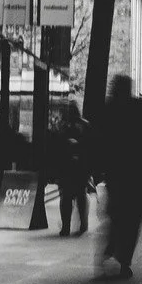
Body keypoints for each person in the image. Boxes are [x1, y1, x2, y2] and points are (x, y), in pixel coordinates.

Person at [96, 75, 142, 278]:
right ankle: (124, 259)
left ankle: (110, 250)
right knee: (132, 218)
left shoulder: (107, 110)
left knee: (116, 215)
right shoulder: (139, 108)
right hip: (136, 173)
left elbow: (100, 141)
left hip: (116, 173)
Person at [54, 100, 92, 237]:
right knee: (80, 196)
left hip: (66, 167)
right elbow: (90, 146)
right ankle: (83, 224)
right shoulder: (85, 125)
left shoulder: (63, 126)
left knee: (66, 197)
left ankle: (66, 227)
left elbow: (57, 146)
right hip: (80, 167)